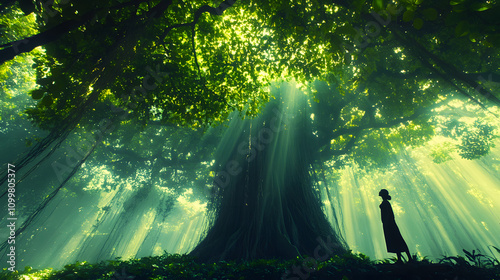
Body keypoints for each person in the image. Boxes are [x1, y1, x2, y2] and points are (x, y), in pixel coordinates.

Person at [379, 189, 412, 264]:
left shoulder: (386, 203)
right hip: (388, 224)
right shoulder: (385, 202)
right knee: (395, 240)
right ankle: (400, 259)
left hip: (390, 224)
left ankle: (409, 258)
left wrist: (387, 223)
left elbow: (390, 214)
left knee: (397, 239)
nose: (379, 192)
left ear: (383, 194)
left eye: (381, 192)